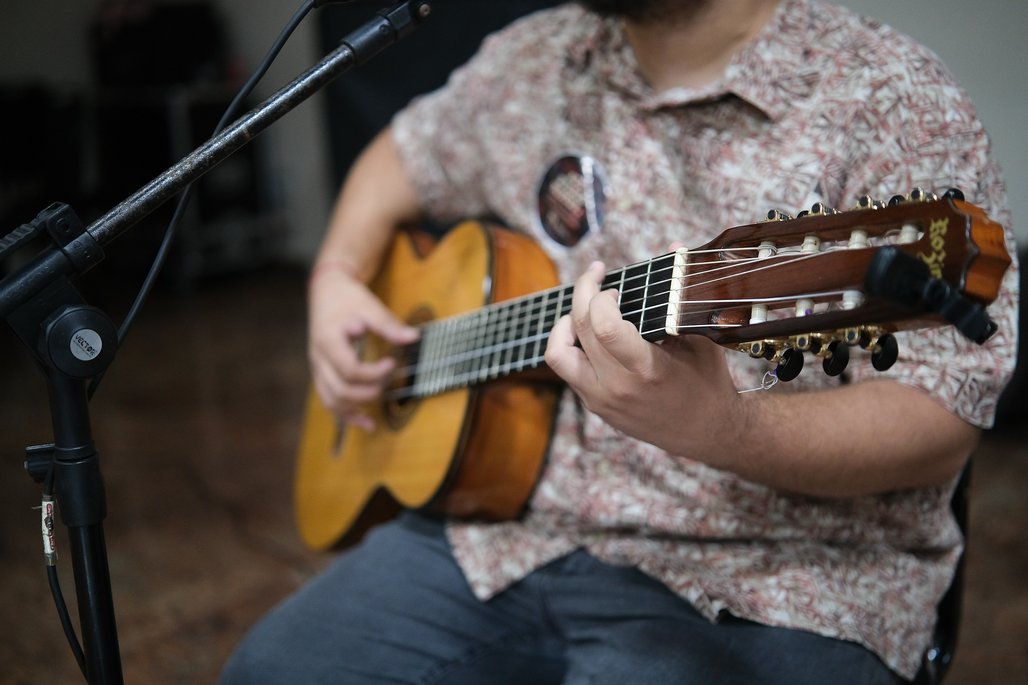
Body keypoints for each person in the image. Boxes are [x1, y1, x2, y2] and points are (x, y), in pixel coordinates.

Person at [221, 0, 1019, 682]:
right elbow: (399, 157)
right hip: (511, 533)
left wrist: (723, 428)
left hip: (780, 576)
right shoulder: (538, 57)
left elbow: (940, 417)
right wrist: (333, 278)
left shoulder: (891, 98)